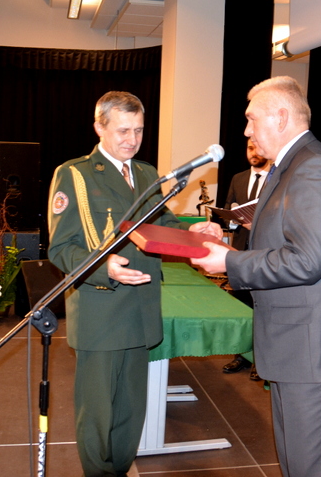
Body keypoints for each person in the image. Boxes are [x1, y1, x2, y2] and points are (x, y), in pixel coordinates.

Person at [192, 76, 321, 477]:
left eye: (252, 119)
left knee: (311, 463)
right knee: (298, 460)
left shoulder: (314, 168)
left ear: (282, 117)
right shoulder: (292, 165)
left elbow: (307, 261)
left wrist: (230, 263)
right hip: (297, 340)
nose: (246, 131)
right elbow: (282, 236)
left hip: (311, 345)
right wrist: (227, 239)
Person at [48, 91, 222, 477]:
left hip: (141, 309)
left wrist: (197, 231)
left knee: (130, 410)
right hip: (101, 309)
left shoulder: (145, 173)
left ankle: (120, 470)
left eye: (139, 130)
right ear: (99, 128)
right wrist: (104, 268)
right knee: (97, 413)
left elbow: (163, 224)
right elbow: (61, 248)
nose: (132, 139)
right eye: (123, 130)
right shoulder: (74, 174)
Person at [221, 139, 271, 380]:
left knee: (262, 310)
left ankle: (261, 362)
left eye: (258, 148)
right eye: (250, 148)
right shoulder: (238, 178)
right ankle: (241, 355)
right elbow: (227, 210)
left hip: (265, 254)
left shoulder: (277, 178)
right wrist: (232, 218)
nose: (254, 153)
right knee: (241, 308)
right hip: (241, 252)